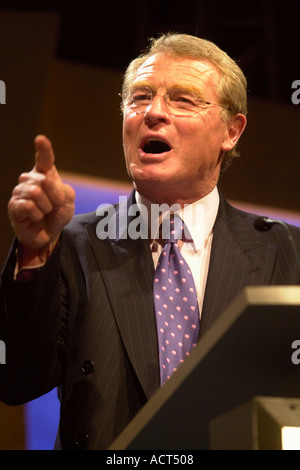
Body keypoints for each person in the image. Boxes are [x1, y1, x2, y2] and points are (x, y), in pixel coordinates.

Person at [1, 32, 300, 450]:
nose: (154, 112)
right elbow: (15, 380)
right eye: (139, 97)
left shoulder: (287, 251)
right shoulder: (70, 244)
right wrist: (34, 251)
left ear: (231, 131)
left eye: (183, 100)